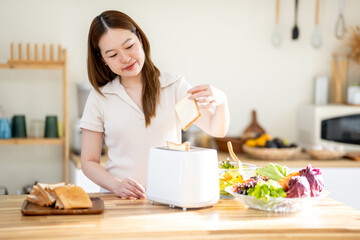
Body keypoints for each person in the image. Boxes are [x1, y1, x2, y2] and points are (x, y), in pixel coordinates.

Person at [81, 10, 230, 199]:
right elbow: (88, 161)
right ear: (102, 60)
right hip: (119, 200)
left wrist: (222, 100)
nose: (125, 58)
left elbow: (217, 129)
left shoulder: (173, 86)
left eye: (129, 46)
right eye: (112, 55)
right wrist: (117, 186)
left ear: (140, 39)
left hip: (169, 197)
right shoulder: (100, 97)